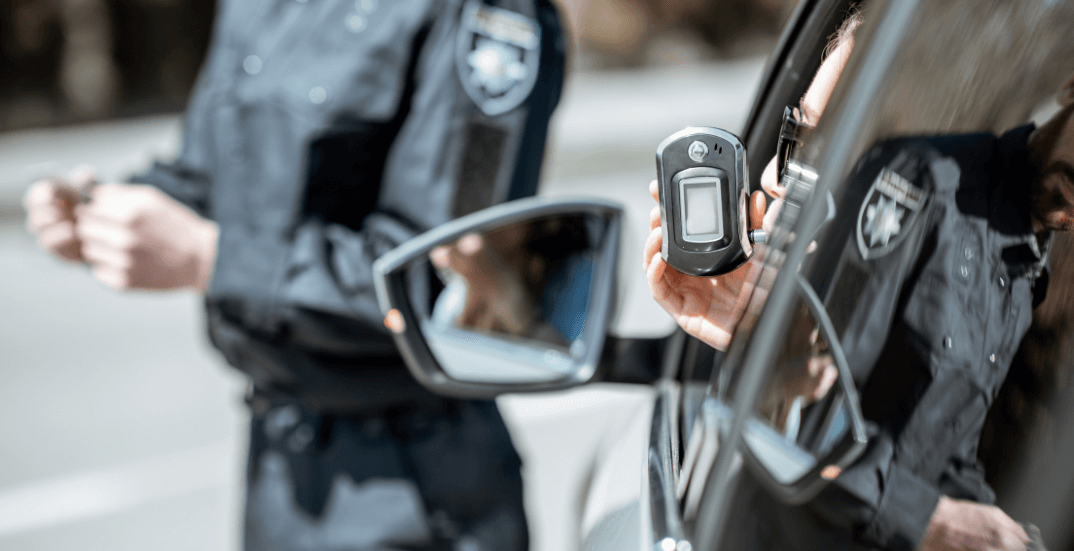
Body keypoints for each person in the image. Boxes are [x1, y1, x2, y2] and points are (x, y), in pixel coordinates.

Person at [23, 0, 566, 549]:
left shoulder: (482, 15)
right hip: (277, 463)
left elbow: (442, 283)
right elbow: (210, 175)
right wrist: (106, 215)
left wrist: (208, 258)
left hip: (412, 474)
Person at [645, 10, 1074, 550]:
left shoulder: (1024, 262)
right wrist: (770, 347)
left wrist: (997, 531)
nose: (778, 182)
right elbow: (810, 430)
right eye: (797, 137)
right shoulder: (923, 183)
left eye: (844, 151)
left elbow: (939, 450)